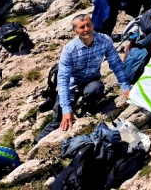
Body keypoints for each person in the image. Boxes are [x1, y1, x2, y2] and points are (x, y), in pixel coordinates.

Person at [34, 14, 130, 143]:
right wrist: (66, 110)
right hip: (71, 86)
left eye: (88, 25)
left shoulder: (104, 41)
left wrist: (125, 87)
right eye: (82, 27)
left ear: (93, 25)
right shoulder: (69, 49)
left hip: (91, 82)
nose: (86, 29)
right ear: (75, 31)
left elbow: (116, 64)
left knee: (96, 88)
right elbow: (63, 80)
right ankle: (37, 143)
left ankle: (87, 108)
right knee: (59, 119)